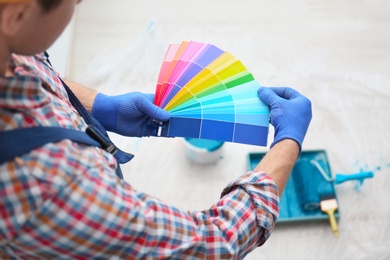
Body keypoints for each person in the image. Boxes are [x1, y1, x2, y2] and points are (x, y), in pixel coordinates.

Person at [0, 0, 312, 259]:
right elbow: (214, 243)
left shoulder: (8, 45)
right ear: (17, 16)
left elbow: (29, 64)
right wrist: (287, 142)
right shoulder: (52, 183)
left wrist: (99, 107)